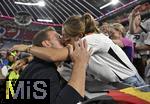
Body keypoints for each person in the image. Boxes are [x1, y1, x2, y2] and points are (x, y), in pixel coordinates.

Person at [12, 13, 146, 87]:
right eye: (60, 36)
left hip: (130, 81)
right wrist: (28, 58)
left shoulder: (94, 39)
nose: (63, 39)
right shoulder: (80, 43)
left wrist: (27, 48)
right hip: (115, 82)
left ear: (79, 36)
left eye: (64, 35)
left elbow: (56, 55)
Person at [13, 27, 90, 104]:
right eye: (59, 37)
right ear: (47, 43)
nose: (64, 40)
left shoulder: (35, 65)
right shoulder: (45, 72)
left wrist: (27, 59)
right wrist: (80, 65)